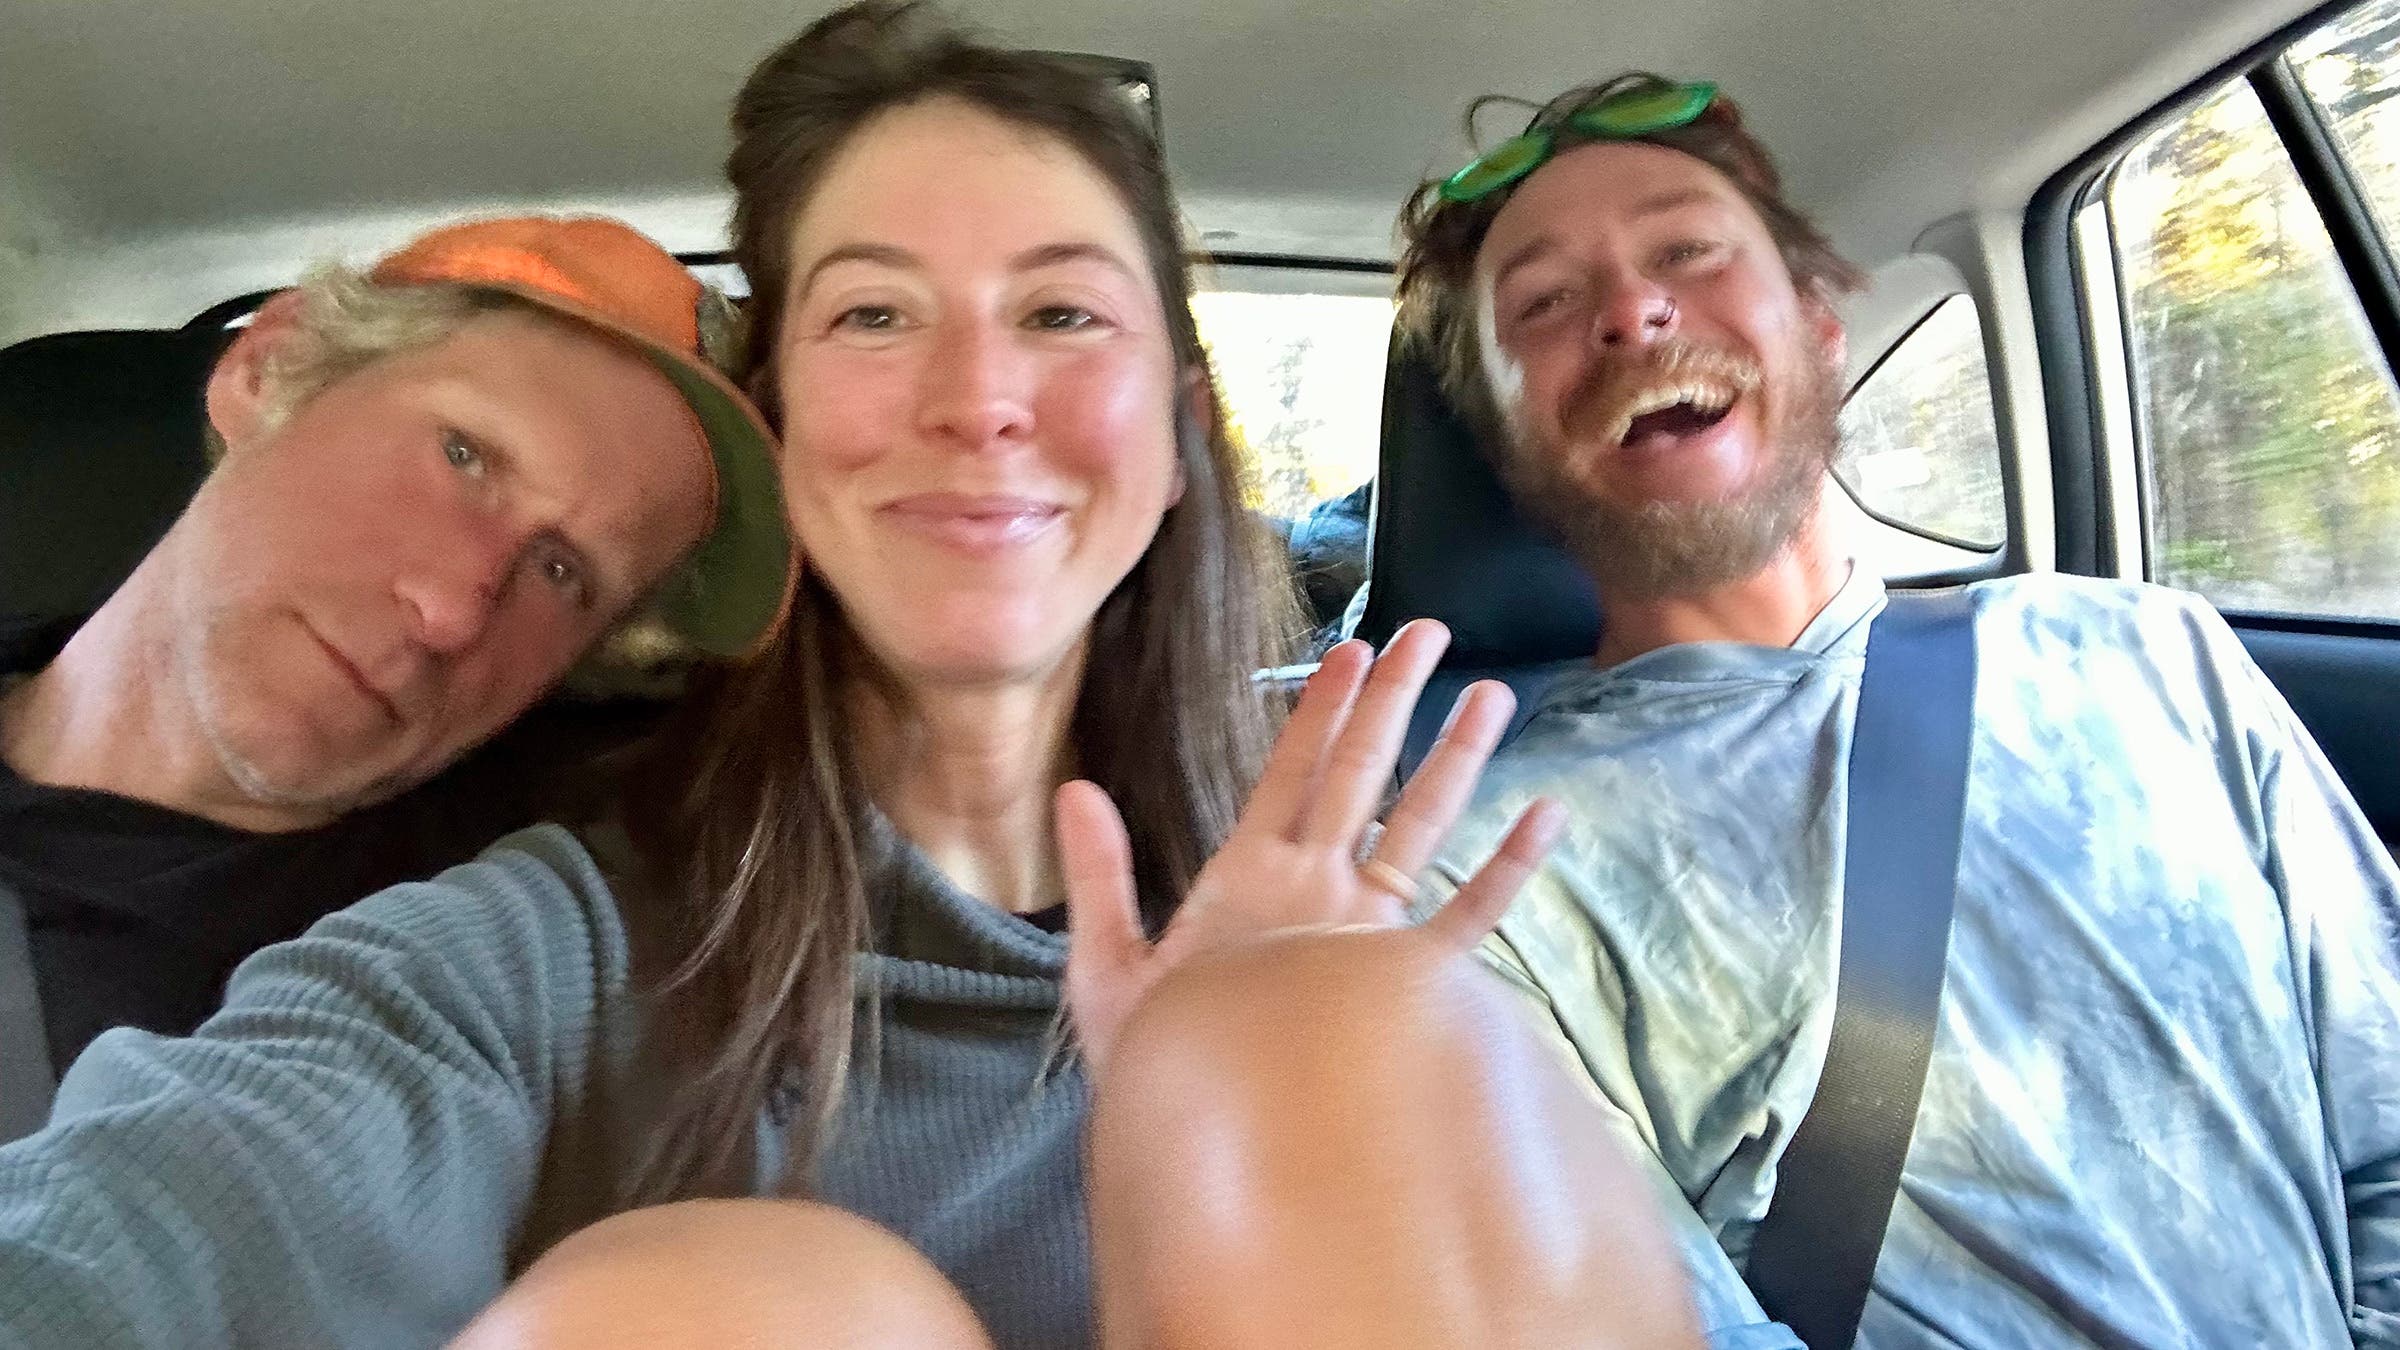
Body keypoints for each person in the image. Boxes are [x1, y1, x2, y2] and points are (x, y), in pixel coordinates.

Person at [0, 11, 1711, 1348]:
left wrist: (1303, 1100)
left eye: (1061, 315)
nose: (978, 397)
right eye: (876, 317)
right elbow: (173, 1208)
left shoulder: (1381, 904)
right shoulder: (546, 941)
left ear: (1182, 435)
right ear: (795, 441)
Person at [1396, 72, 2400, 1345]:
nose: (1634, 311)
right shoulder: (1472, 878)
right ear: (1503, 446)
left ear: (1818, 326)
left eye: (1689, 252)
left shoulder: (2149, 649)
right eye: (1543, 302)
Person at [0, 215, 793, 1093]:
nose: (455, 612)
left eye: (563, 572)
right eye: (465, 456)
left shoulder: (478, 992)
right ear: (269, 370)